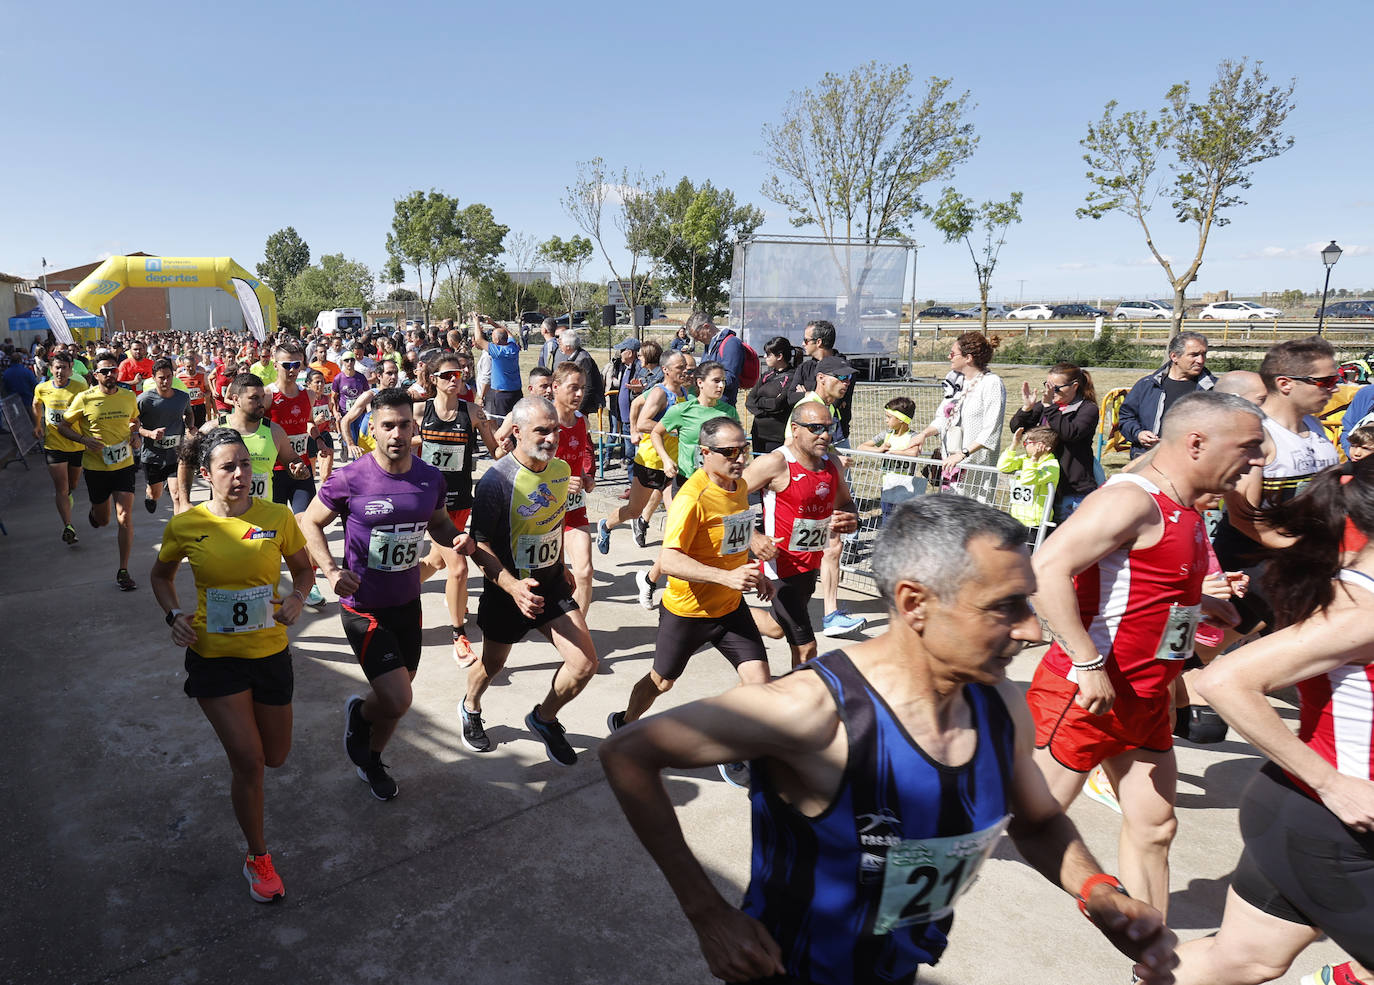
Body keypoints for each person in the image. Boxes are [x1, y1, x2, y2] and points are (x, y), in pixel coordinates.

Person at [600, 494, 1180, 985]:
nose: (1032, 629)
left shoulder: (999, 703)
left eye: (1027, 602)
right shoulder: (814, 711)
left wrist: (1098, 889)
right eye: (1005, 607)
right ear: (914, 603)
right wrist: (707, 913)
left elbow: (1036, 821)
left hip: (898, 966)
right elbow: (628, 753)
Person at [1027, 391, 1266, 915]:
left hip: (1146, 697)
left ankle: (1150, 956)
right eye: (1249, 446)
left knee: (1156, 826)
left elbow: (1144, 586)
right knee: (1024, 826)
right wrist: (1088, 663)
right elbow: (1046, 570)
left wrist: (1202, 603)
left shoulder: (1187, 506)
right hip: (1089, 696)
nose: (1261, 457)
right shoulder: (1133, 499)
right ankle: (894, 886)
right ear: (1197, 443)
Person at [1171, 459, 1374, 985]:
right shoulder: (1363, 609)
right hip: (1333, 825)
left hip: (1297, 815)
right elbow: (1224, 681)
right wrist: (1334, 785)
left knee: (1241, 961)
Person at [149, 428, 314, 903]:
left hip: (269, 655)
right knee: (248, 762)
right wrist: (173, 614)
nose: (241, 474)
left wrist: (298, 597)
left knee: (276, 755)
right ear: (206, 474)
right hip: (214, 660)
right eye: (228, 467)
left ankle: (256, 840)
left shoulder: (276, 516)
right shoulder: (186, 525)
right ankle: (258, 856)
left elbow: (303, 568)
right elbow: (161, 575)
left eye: (244, 464)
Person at [299, 388, 473, 801]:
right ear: (371, 430)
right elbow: (309, 522)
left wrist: (458, 537)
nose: (397, 433)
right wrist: (330, 569)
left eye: (404, 424)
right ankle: (362, 717)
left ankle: (370, 754)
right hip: (363, 606)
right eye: (388, 425)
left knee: (397, 695)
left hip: (407, 601)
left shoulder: (430, 478)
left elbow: (439, 525)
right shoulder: (351, 478)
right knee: (399, 699)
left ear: (415, 428)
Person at [605, 417, 775, 772]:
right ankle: (625, 722)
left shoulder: (738, 485)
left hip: (728, 609)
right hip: (687, 611)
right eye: (729, 452)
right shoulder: (691, 498)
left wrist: (753, 572)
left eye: (743, 449)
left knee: (760, 684)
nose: (739, 458)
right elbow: (667, 559)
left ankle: (732, 752)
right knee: (662, 682)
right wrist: (726, 577)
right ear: (705, 453)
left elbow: (733, 535)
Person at [459, 397, 600, 767]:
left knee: (585, 663)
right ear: (517, 432)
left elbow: (554, 521)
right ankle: (471, 705)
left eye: (555, 429)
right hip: (508, 591)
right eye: (542, 430)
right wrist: (512, 587)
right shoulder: (496, 481)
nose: (552, 437)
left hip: (550, 584)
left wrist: (563, 565)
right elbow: (480, 545)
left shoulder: (560, 471)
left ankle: (544, 717)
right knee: (493, 664)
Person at [1212, 337, 1342, 639]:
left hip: (1301, 557)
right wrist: (1312, 553)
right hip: (1253, 561)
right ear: (1286, 383)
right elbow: (1244, 518)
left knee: (1201, 654)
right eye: (1326, 381)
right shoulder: (1258, 434)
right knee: (1317, 640)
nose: (1335, 387)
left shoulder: (1315, 426)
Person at [744, 400, 860, 668]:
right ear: (795, 429)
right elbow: (724, 498)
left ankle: (727, 613)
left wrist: (851, 518)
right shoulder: (775, 463)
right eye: (815, 428)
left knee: (776, 627)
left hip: (809, 565)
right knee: (807, 647)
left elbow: (845, 503)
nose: (825, 435)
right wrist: (754, 536)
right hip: (778, 566)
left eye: (829, 428)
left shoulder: (832, 464)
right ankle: (803, 701)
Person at [412, 351, 499, 666]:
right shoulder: (419, 411)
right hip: (431, 505)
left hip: (461, 500)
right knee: (459, 567)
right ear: (433, 379)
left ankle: (399, 591)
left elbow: (495, 451)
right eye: (447, 375)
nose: (454, 379)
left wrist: (516, 441)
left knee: (436, 561)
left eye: (459, 374)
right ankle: (458, 636)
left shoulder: (473, 412)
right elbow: (391, 439)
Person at [645, 361, 740, 606]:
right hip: (687, 484)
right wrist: (666, 459)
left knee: (711, 539)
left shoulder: (729, 412)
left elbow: (737, 447)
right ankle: (653, 581)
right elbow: (656, 432)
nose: (721, 385)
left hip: (719, 487)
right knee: (679, 539)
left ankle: (655, 579)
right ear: (700, 383)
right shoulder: (682, 410)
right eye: (715, 381)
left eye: (723, 381)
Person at [56, 352, 142, 591]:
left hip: (124, 465)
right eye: (104, 371)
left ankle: (123, 570)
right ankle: (96, 514)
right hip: (96, 468)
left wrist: (135, 434)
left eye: (113, 370)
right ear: (95, 375)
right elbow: (62, 426)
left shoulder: (127, 395)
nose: (110, 374)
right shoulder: (84, 398)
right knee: (104, 520)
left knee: (125, 517)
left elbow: (135, 420)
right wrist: (84, 440)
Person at [597, 350, 689, 557]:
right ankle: (606, 525)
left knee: (676, 511)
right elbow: (643, 422)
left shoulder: (684, 392)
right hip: (651, 461)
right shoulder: (660, 393)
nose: (684, 371)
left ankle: (676, 557)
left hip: (673, 464)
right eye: (680, 368)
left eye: (685, 367)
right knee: (633, 510)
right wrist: (669, 428)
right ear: (665, 370)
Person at [908, 331, 1007, 495]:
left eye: (953, 353)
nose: (949, 357)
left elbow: (991, 429)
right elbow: (942, 418)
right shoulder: (955, 381)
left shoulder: (991, 383)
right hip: (950, 463)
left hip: (974, 466)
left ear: (968, 358)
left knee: (971, 513)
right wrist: (924, 434)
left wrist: (963, 454)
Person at [1009, 362, 1101, 521]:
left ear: (1074, 386)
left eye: (1057, 388)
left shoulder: (1088, 409)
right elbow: (1016, 427)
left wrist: (1049, 407)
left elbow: (1070, 433)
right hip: (1043, 486)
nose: (1050, 391)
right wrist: (1027, 408)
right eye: (1048, 385)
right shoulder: (1045, 405)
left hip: (1071, 489)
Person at [1118, 332, 1215, 459]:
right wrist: (1138, 434)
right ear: (1174, 356)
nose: (1201, 360)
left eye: (1204, 354)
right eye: (1194, 355)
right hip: (1148, 460)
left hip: (1193, 463)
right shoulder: (1147, 385)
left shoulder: (1214, 390)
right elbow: (1126, 418)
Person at [550, 362, 598, 615]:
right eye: (573, 388)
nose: (579, 394)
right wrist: (560, 482)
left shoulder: (582, 422)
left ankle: (579, 635)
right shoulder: (544, 424)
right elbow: (526, 470)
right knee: (554, 579)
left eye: (582, 388)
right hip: (543, 513)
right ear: (555, 388)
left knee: (584, 571)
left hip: (573, 508)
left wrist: (584, 478)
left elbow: (577, 462)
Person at [32, 349, 88, 544]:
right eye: (57, 368)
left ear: (71, 369)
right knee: (61, 488)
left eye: (64, 368)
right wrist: (37, 425)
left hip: (76, 445)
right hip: (53, 445)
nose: (60, 372)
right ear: (50, 369)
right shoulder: (42, 388)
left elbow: (87, 412)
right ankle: (68, 526)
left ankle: (68, 497)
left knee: (72, 485)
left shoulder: (80, 387)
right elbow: (36, 404)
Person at [137, 358, 194, 514]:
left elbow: (189, 413)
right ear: (154, 378)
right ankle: (150, 495)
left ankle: (178, 530)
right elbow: (133, 424)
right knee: (156, 493)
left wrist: (190, 426)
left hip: (175, 454)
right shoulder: (144, 400)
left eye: (169, 376)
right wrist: (149, 433)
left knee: (177, 495)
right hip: (152, 456)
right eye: (162, 377)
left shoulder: (182, 397)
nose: (166, 381)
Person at [996, 426, 1061, 545]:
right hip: (1018, 518)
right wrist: (1013, 445)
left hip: (1036, 523)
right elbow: (1003, 466)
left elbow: (1028, 479)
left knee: (1030, 556)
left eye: (1028, 442)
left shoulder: (1052, 466)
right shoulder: (1025, 459)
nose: (1024, 445)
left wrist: (1035, 459)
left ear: (1042, 445)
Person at [745, 336, 798, 455]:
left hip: (776, 435)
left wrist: (761, 402)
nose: (764, 357)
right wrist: (764, 410)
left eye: (768, 354)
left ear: (779, 356)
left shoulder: (792, 377)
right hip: (758, 433)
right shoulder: (766, 376)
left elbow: (778, 403)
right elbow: (750, 401)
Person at [470, 314, 523, 418]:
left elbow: (479, 340)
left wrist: (476, 321)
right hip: (517, 392)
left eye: (492, 338)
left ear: (497, 341)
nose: (491, 340)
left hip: (502, 395)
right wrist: (492, 323)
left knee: (502, 422)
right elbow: (508, 333)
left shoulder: (498, 352)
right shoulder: (513, 347)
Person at [690, 312, 746, 407]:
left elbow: (729, 379)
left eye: (697, 336)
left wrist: (702, 380)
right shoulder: (709, 346)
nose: (697, 340)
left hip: (722, 407)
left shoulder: (731, 343)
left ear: (706, 327)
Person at [549, 329, 603, 417]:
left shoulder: (583, 359)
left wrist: (577, 410)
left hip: (582, 406)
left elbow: (588, 387)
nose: (559, 347)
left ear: (568, 346)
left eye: (561, 344)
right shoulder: (574, 357)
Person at [331, 354, 370, 456]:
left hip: (359, 412)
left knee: (359, 437)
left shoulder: (361, 377)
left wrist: (369, 412)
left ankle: (356, 457)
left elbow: (368, 395)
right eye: (346, 360)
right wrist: (336, 412)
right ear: (343, 362)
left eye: (352, 360)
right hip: (345, 413)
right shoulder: (338, 378)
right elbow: (333, 397)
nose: (349, 363)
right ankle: (345, 444)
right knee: (350, 436)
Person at [176, 353, 210, 429]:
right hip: (186, 407)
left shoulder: (203, 375)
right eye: (188, 366)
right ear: (184, 366)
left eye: (193, 366)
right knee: (187, 430)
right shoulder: (179, 377)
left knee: (200, 429)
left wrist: (203, 395)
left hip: (199, 407)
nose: (191, 368)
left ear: (196, 365)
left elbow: (209, 392)